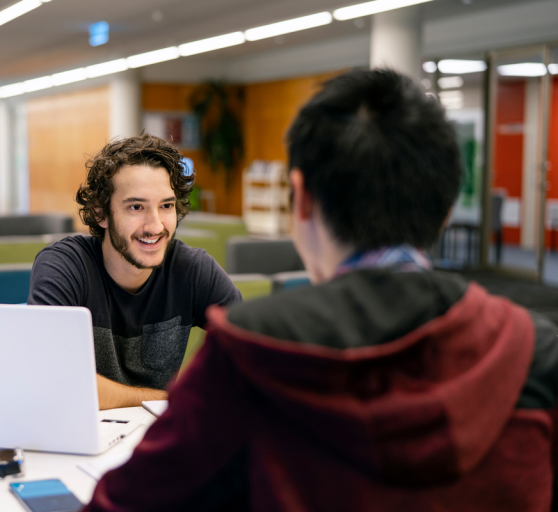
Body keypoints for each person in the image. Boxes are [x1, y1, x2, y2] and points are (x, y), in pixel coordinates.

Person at [83, 69, 558, 511]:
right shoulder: (535, 349)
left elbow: (125, 502)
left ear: (301, 198)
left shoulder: (255, 350)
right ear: (447, 208)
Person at [28, 134, 241, 410]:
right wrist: (170, 400)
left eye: (166, 206)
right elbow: (50, 377)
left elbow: (254, 354)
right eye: (136, 207)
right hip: (81, 439)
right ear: (100, 213)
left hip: (157, 439)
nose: (155, 226)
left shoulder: (192, 269)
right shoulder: (65, 266)